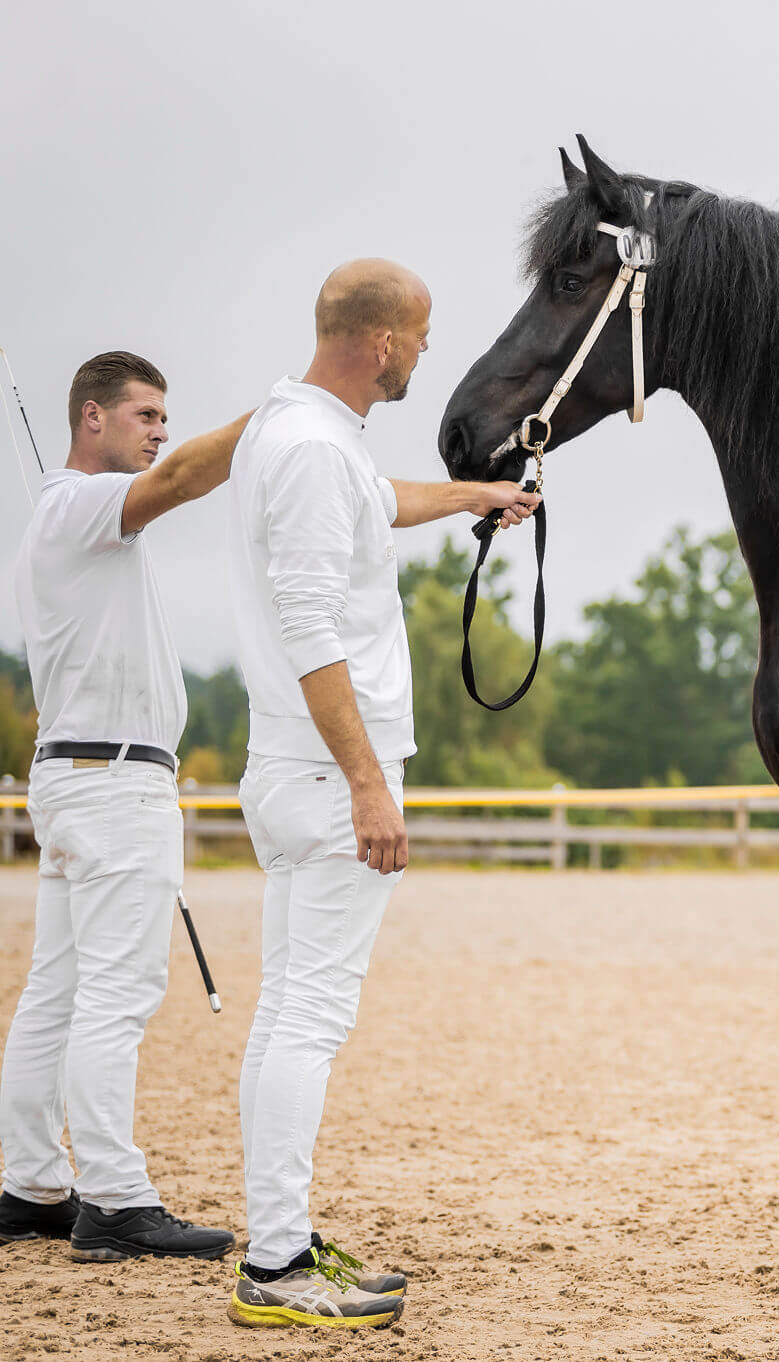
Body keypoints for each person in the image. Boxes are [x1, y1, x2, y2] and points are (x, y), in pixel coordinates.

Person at [224, 259, 537, 1330]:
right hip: (324, 776)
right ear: (387, 344)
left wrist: (480, 495)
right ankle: (273, 1268)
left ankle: (282, 1237)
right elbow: (311, 625)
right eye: (425, 337)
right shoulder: (313, 450)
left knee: (285, 1015)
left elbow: (379, 508)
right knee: (309, 1018)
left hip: (287, 769)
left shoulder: (297, 432)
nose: (427, 355)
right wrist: (368, 783)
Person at [0, 351, 249, 1261]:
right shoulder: (77, 506)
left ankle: (29, 1186)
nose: (161, 431)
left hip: (80, 781)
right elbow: (184, 478)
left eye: (164, 415)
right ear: (91, 416)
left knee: (58, 995)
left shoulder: (70, 521)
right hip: (113, 785)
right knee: (115, 994)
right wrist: (286, 414)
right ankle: (113, 1197)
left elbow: (172, 471)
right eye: (144, 414)